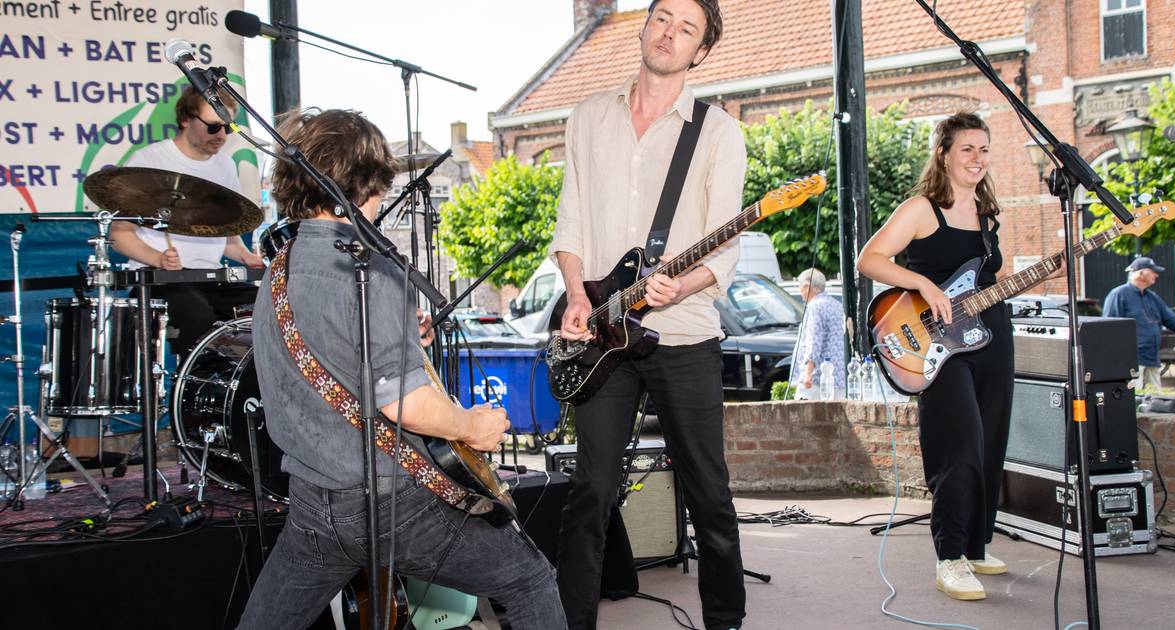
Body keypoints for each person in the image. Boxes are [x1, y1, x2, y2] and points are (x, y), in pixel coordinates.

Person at [237, 109, 565, 629]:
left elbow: (328, 353)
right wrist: (471, 426)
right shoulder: (376, 269)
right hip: (391, 502)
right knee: (528, 581)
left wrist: (399, 335)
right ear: (366, 182)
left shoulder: (280, 268)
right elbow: (403, 404)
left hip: (312, 503)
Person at [550, 1, 747, 628]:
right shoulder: (587, 116)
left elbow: (727, 246)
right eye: (663, 17)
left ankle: (725, 620)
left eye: (686, 28)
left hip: (683, 334)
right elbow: (571, 219)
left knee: (709, 495)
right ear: (644, 24)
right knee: (590, 494)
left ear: (701, 51)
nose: (669, 32)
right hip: (603, 336)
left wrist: (681, 285)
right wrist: (577, 293)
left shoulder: (717, 132)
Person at [857, 112, 1018, 601]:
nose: (977, 158)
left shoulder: (988, 214)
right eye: (967, 149)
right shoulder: (923, 209)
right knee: (958, 444)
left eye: (984, 149)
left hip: (990, 337)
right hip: (936, 345)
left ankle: (974, 546)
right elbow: (870, 258)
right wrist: (922, 282)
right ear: (944, 154)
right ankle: (949, 557)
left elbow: (985, 280)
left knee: (990, 442)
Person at [110, 86, 264, 355]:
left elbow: (226, 239)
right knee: (199, 320)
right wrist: (158, 259)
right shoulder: (150, 159)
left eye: (228, 129)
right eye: (214, 127)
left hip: (212, 278)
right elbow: (119, 234)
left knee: (266, 311)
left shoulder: (225, 166)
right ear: (186, 119)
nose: (221, 136)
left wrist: (245, 256)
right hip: (160, 281)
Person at [1102, 256, 1175, 390]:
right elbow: (1109, 328)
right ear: (1141, 273)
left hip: (1152, 358)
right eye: (1153, 271)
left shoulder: (1152, 297)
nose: (1156, 275)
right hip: (1131, 361)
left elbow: (1173, 321)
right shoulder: (1119, 295)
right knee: (1135, 398)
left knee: (1156, 398)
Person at [788, 268, 845, 394]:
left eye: (800, 287)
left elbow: (814, 342)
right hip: (839, 377)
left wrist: (808, 374)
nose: (800, 291)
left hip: (818, 379)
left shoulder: (815, 307)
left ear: (807, 287)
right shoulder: (836, 304)